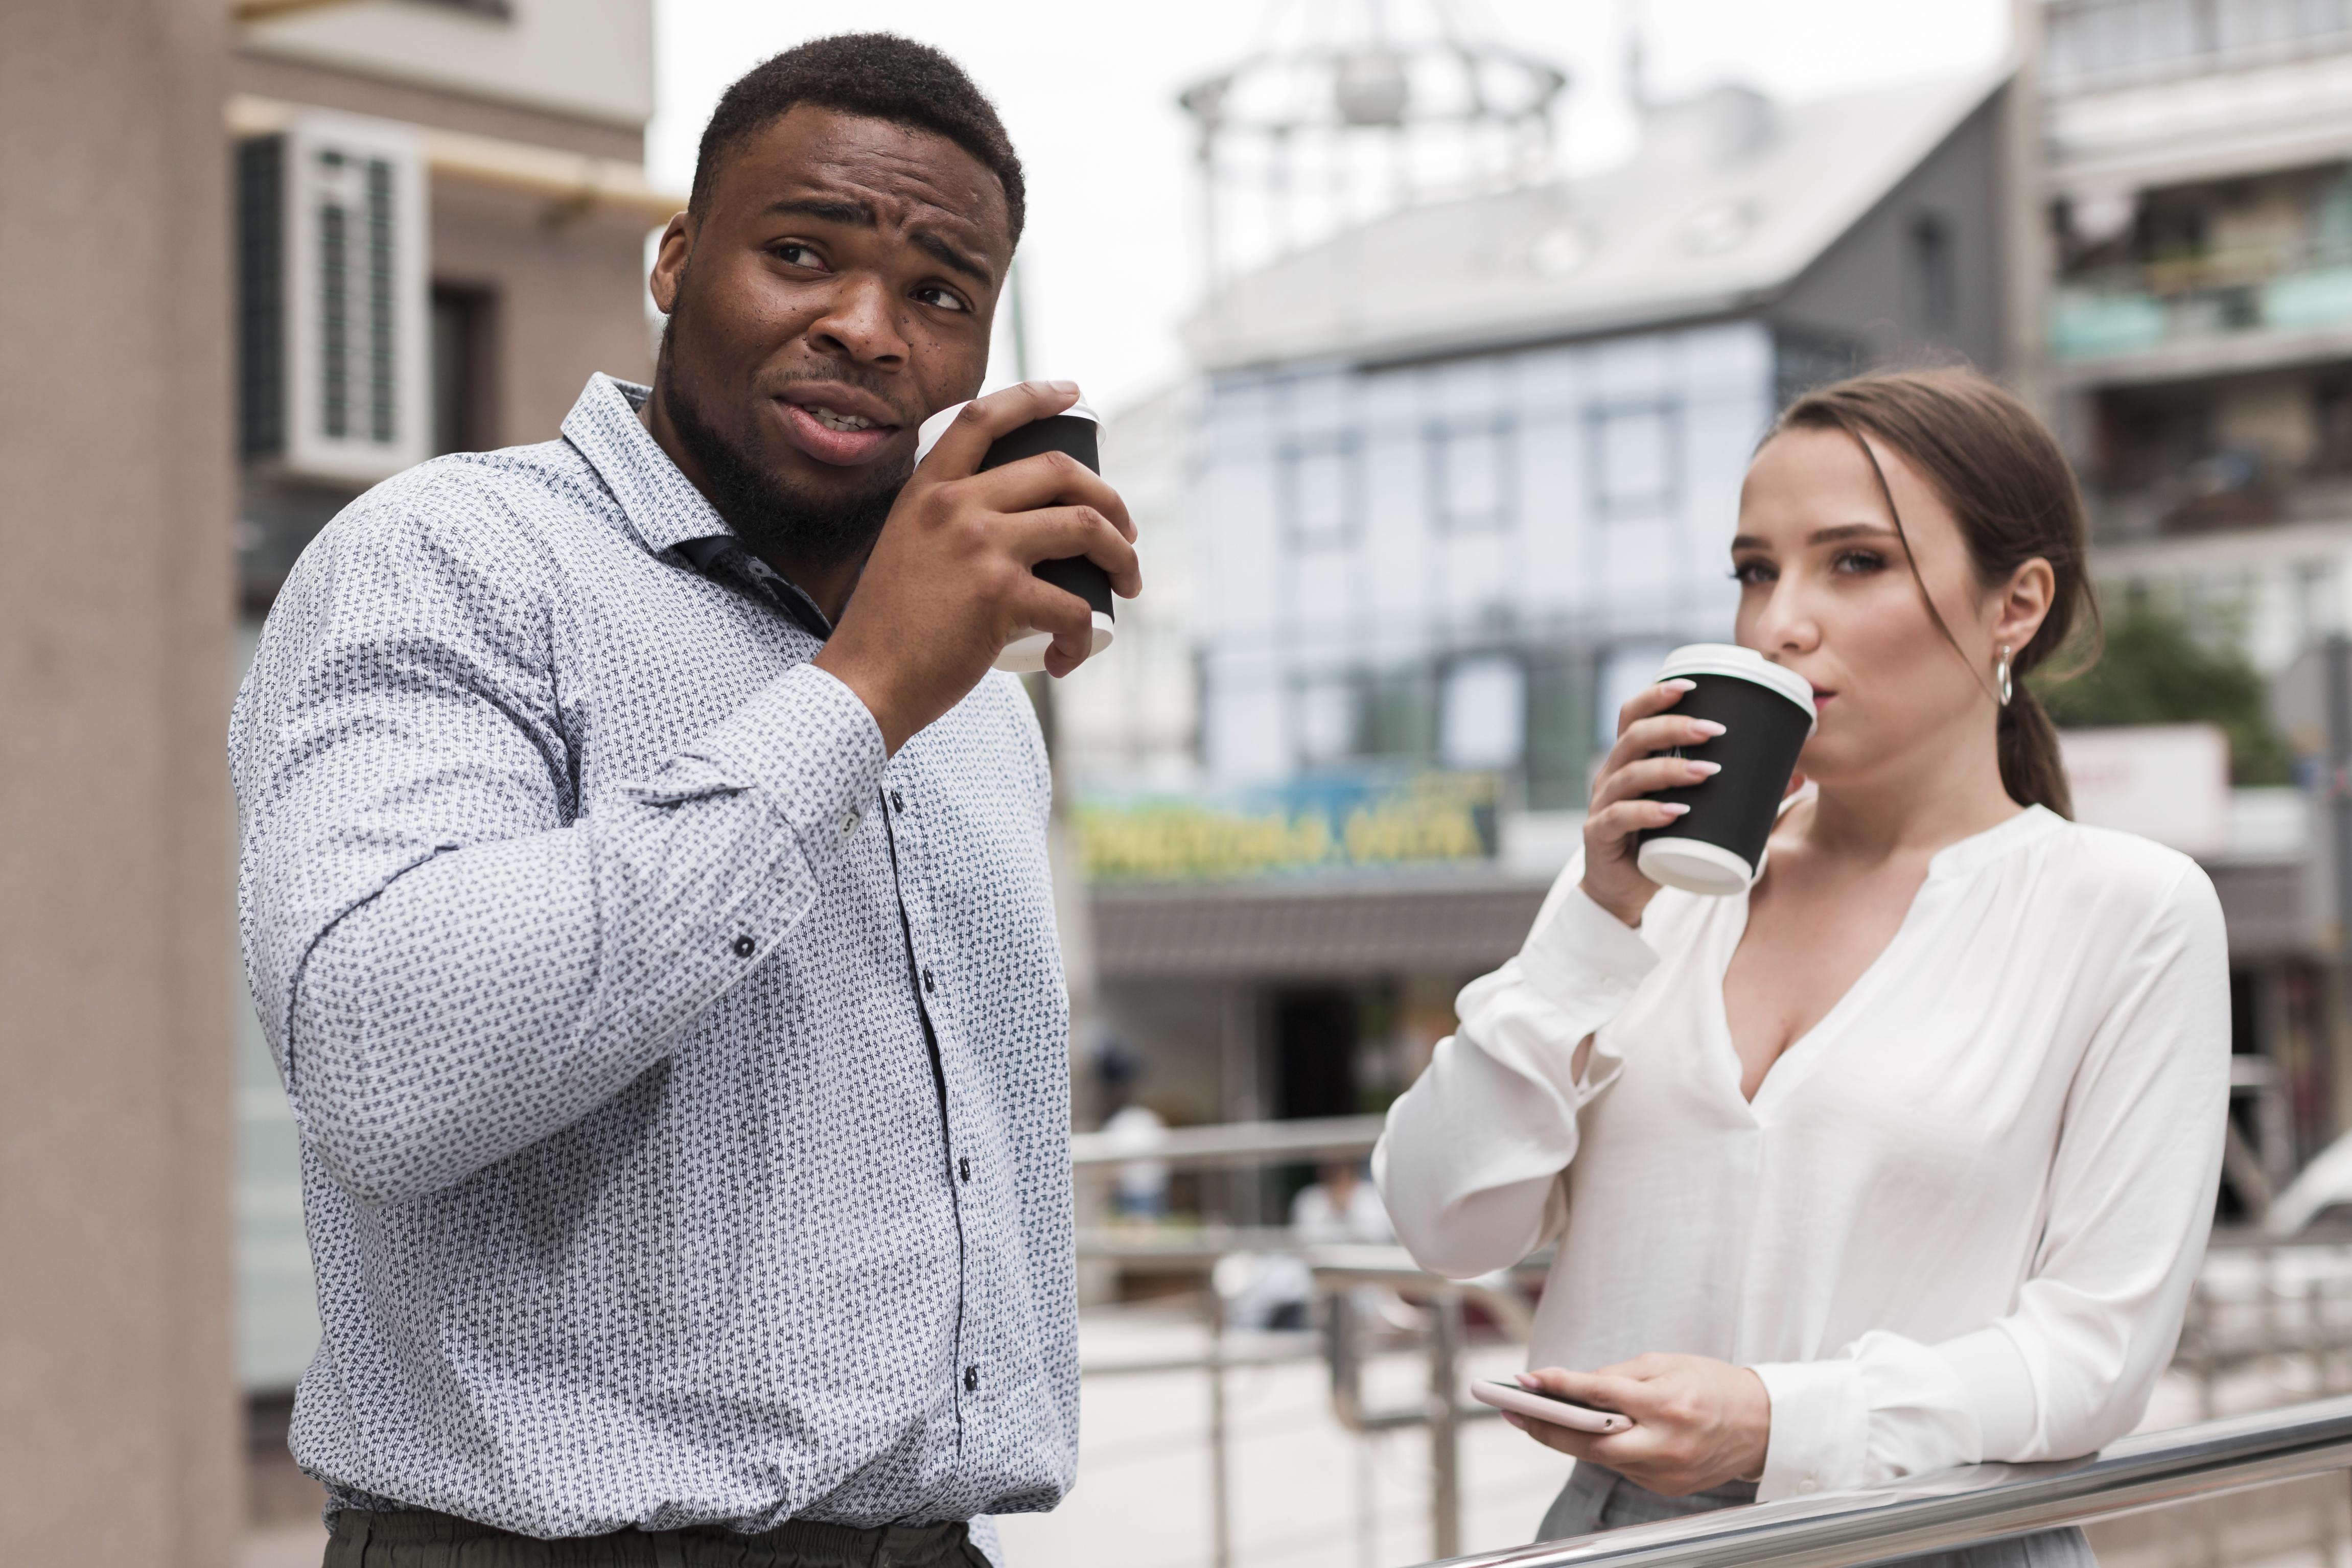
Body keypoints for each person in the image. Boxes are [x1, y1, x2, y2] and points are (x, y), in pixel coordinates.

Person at [231, 34, 1138, 1568]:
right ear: (673, 259)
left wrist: (901, 677)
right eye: (801, 254)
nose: (866, 328)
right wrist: (850, 705)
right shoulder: (456, 556)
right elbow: (384, 1064)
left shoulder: (971, 691)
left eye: (939, 293)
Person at [1374, 368, 2230, 1564]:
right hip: (1616, 1538)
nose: (1779, 621)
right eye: (1754, 569)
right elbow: (1441, 1217)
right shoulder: (1648, 889)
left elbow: (2097, 1353)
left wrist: (1774, 1422)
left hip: (1935, 1535)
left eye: (1856, 562)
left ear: (2014, 605)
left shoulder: (2126, 910)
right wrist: (1593, 920)